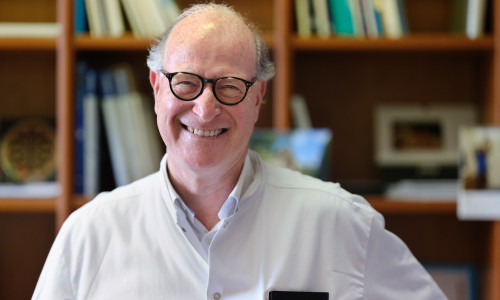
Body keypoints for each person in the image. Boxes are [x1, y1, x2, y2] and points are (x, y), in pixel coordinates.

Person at [33, 3, 446, 299]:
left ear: (257, 97)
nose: (205, 107)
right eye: (186, 82)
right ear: (157, 88)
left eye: (229, 85)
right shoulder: (87, 237)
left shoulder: (341, 224)